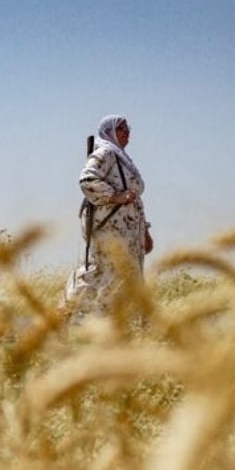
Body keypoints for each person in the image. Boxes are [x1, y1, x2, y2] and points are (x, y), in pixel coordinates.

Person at [65, 114, 153, 319]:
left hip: (128, 230)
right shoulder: (105, 153)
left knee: (125, 276)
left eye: (128, 128)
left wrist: (145, 232)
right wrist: (115, 197)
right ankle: (70, 314)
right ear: (109, 131)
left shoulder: (123, 159)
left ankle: (120, 325)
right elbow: (87, 180)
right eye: (121, 128)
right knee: (100, 271)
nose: (127, 132)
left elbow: (135, 198)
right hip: (109, 227)